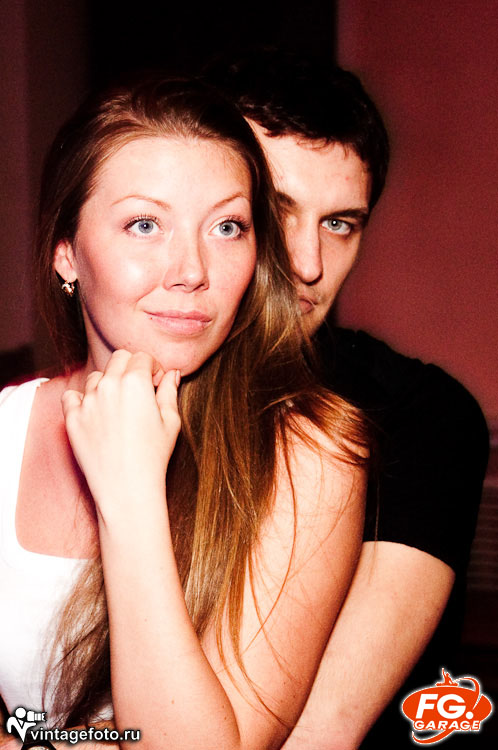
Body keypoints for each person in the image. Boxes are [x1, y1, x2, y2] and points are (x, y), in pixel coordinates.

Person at [0, 76, 369, 750]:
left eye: (227, 227)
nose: (193, 270)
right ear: (66, 254)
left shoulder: (311, 456)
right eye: (145, 225)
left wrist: (131, 499)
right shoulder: (4, 430)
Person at [204, 49, 490, 747]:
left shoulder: (421, 416)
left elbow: (319, 735)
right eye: (276, 211)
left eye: (340, 223)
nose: (308, 265)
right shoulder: (136, 400)